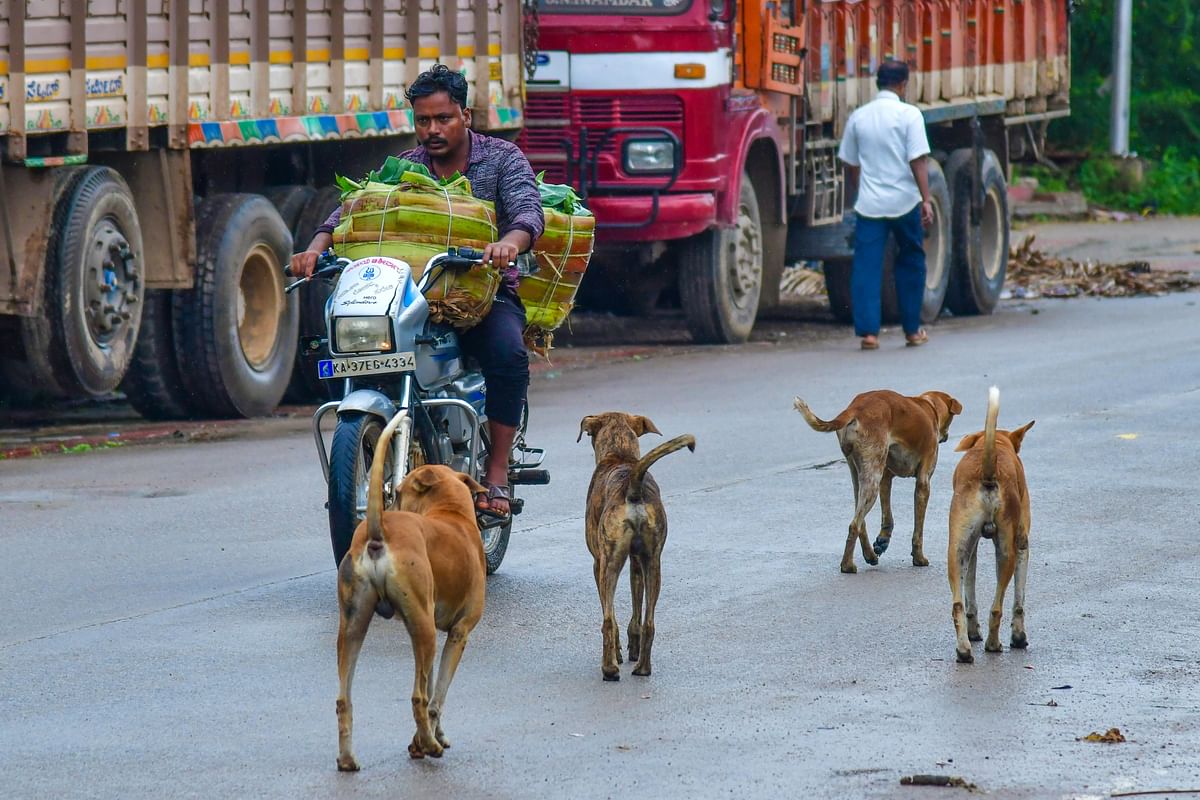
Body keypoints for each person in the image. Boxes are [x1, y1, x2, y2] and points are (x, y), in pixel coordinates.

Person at [291, 64, 545, 522]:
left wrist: (511, 242)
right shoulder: (403, 169)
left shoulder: (503, 159)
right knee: (339, 352)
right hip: (413, 299)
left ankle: (498, 470)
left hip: (483, 297)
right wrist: (313, 250)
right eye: (423, 120)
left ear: (465, 115)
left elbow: (529, 210)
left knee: (508, 354)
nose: (432, 129)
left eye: (443, 118)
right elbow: (349, 213)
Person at [837, 59, 933, 350]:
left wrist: (862, 188)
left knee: (867, 267)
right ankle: (912, 330)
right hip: (904, 202)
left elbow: (850, 164)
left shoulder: (859, 117)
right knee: (912, 261)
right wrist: (926, 199)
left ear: (877, 83)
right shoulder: (909, 115)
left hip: (870, 206)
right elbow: (918, 160)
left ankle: (869, 334)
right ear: (903, 84)